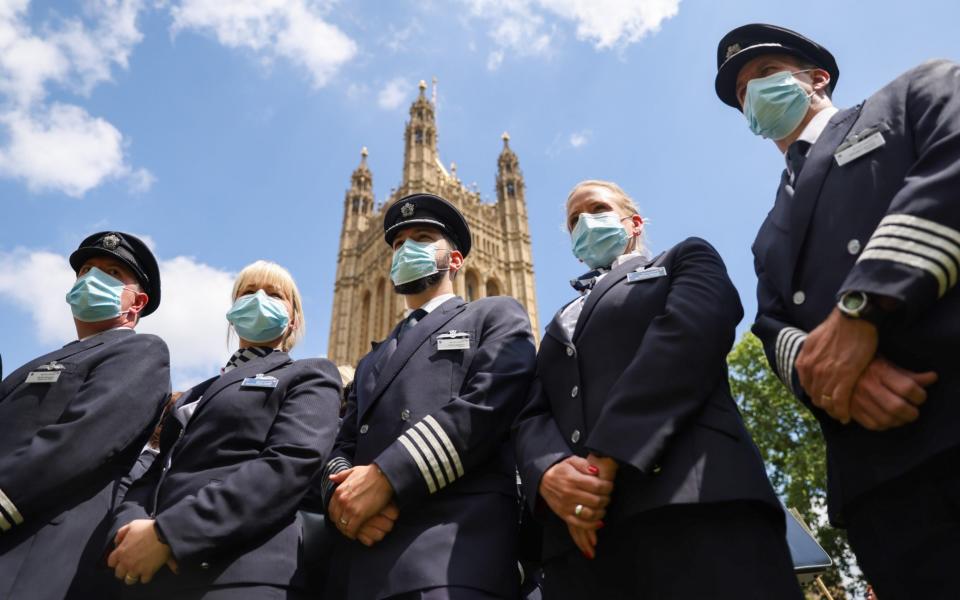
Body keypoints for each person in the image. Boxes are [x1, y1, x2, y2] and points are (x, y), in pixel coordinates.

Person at [715, 23, 960, 598]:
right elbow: (772, 326)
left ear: (816, 77)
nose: (753, 96)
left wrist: (863, 310)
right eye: (742, 93)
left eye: (765, 76)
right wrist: (834, 379)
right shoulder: (767, 235)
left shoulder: (911, 95)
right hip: (879, 476)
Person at [513, 181, 801, 599]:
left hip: (692, 503)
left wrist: (606, 455)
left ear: (633, 221)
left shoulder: (684, 257)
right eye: (574, 220)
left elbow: (689, 338)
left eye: (597, 208)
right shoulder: (559, 320)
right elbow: (531, 410)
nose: (585, 223)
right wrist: (549, 471)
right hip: (581, 544)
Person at [319, 192, 537, 599]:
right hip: (362, 562)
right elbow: (341, 442)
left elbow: (487, 407)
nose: (406, 250)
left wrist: (387, 477)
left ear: (454, 260)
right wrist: (340, 500)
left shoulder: (494, 315)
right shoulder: (372, 359)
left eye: (421, 238)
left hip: (450, 557)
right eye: (399, 244)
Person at [108, 260, 342, 599]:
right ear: (232, 311)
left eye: (275, 294)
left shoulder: (309, 374)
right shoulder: (197, 392)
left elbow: (289, 465)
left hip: (238, 571)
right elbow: (156, 472)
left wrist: (170, 533)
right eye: (248, 292)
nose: (259, 297)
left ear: (292, 320)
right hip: (154, 574)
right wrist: (125, 532)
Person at [0, 231, 171, 599]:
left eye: (111, 273)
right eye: (87, 269)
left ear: (136, 303)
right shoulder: (43, 360)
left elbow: (81, 439)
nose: (93, 278)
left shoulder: (141, 351)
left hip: (32, 548)